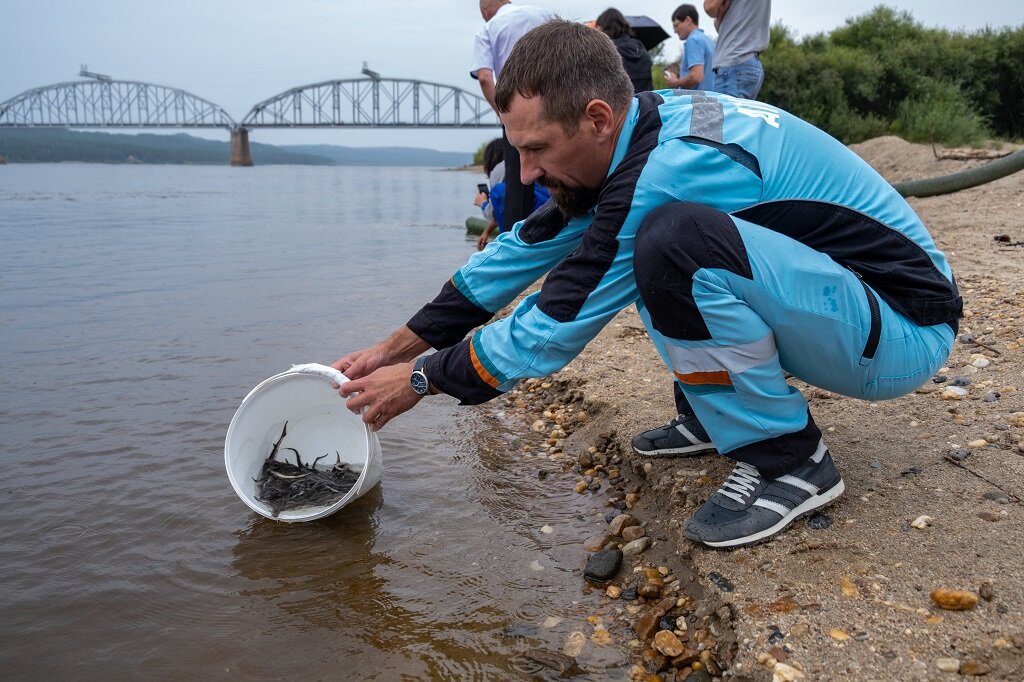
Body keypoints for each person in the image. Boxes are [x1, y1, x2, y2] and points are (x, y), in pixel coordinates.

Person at [333, 21, 961, 549]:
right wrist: (392, 350)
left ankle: (789, 459)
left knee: (670, 242)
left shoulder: (662, 170)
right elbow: (518, 252)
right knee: (655, 247)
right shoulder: (642, 130)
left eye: (537, 149)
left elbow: (553, 326)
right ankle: (715, 414)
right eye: (515, 150)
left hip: (901, 328)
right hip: (843, 304)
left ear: (597, 117)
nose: (526, 171)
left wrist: (423, 378)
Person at [471, 0, 554, 233]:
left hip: (518, 110)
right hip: (556, 104)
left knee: (519, 185)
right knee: (557, 177)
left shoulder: (489, 28)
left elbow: (486, 78)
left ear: (484, 11)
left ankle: (517, 247)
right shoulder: (543, 14)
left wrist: (503, 113)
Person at [703, 0, 770, 99]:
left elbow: (710, 6)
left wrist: (720, 10)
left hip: (733, 62)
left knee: (725, 114)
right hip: (751, 63)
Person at [594, 8, 654, 93]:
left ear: (604, 28)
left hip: (623, 103)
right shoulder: (640, 45)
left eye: (598, 28)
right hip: (647, 101)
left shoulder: (609, 50)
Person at [665, 4, 715, 91]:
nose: (675, 31)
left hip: (700, 101)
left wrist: (676, 82)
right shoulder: (708, 40)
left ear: (688, 20)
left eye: (676, 25)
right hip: (713, 97)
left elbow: (696, 77)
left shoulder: (693, 40)